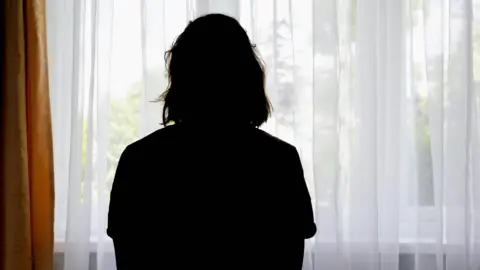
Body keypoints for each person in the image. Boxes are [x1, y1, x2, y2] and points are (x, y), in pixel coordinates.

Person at [107, 14, 316, 270]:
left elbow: (129, 260)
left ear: (180, 78)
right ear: (248, 77)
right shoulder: (280, 160)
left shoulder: (138, 160)